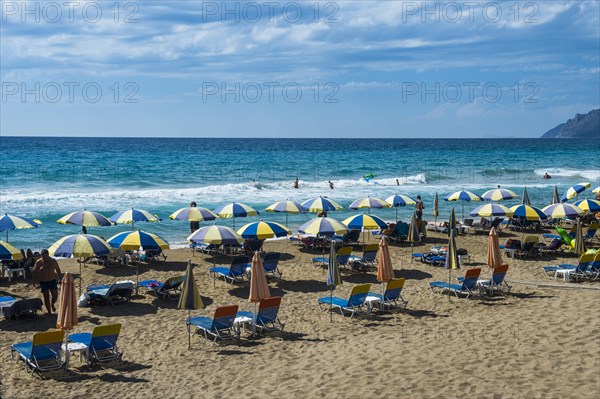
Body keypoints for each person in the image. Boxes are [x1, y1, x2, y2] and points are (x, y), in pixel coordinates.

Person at [32, 249, 62, 315]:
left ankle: (52, 304)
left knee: (55, 295)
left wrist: (60, 278)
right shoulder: (39, 262)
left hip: (52, 280)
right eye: (42, 257)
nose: (44, 258)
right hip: (43, 281)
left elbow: (58, 270)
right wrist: (34, 281)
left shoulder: (53, 261)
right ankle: (49, 312)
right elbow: (35, 271)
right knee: (46, 297)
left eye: (45, 256)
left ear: (48, 255)